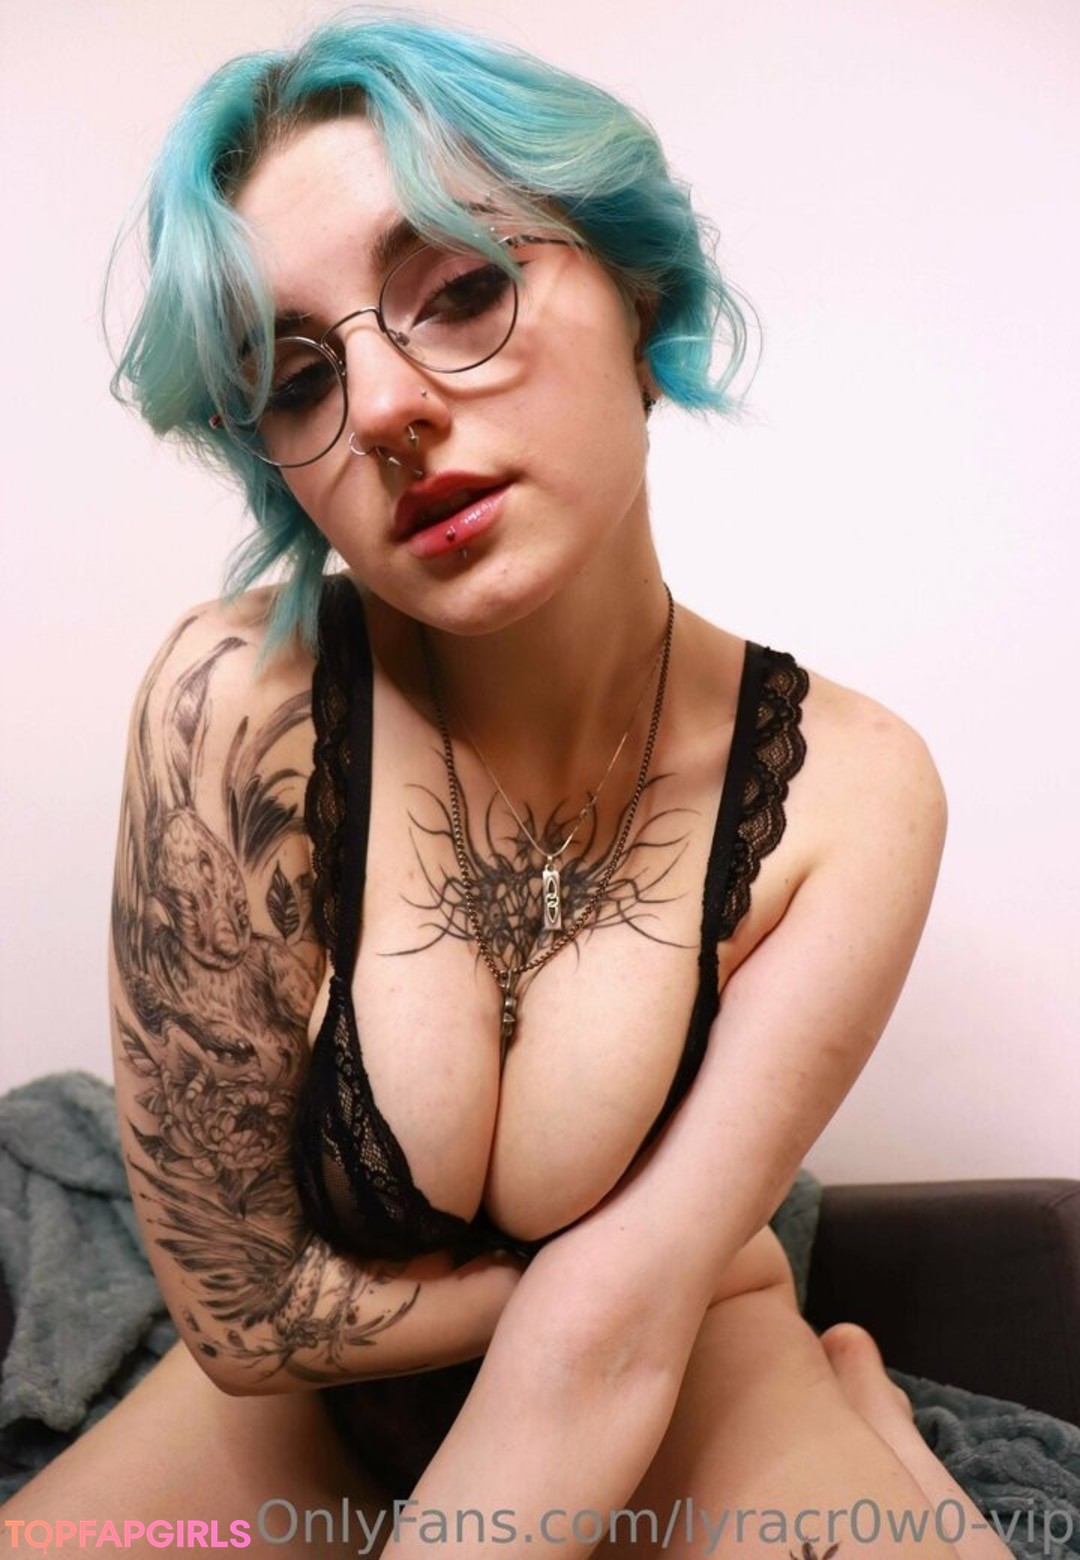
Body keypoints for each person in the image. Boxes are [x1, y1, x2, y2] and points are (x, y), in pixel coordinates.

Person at [4, 13, 1011, 1559]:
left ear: (637, 291)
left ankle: (852, 1411)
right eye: (297, 375)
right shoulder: (239, 705)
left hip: (671, 1385)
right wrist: (620, 1262)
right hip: (304, 1417)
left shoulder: (853, 796)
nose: (384, 410)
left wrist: (660, 1270)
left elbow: (604, 1341)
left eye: (462, 289)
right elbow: (247, 1318)